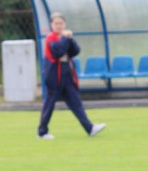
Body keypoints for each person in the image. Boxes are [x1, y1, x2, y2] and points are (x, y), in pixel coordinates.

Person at [37, 12, 106, 140]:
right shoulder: (51, 38)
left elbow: (75, 51)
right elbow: (57, 51)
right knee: (50, 103)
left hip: (67, 73)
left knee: (75, 101)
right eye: (56, 23)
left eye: (61, 23)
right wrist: (65, 38)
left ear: (65, 24)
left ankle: (89, 128)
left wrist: (70, 39)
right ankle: (42, 131)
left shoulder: (66, 37)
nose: (59, 26)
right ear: (52, 25)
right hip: (54, 74)